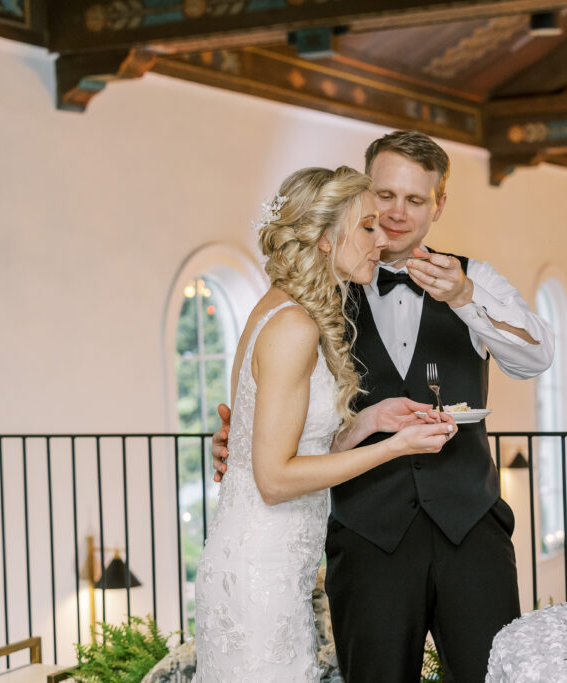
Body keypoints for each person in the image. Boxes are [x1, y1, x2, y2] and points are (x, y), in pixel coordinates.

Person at [212, 131, 554, 682]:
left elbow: (535, 359)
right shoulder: (315, 295)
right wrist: (243, 441)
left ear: (439, 205)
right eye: (383, 198)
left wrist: (465, 299)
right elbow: (275, 408)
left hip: (471, 529)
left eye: (415, 200)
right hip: (366, 536)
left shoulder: (474, 279)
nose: (394, 215)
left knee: (494, 674)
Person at [192, 165, 456, 682]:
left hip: (270, 569)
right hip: (259, 576)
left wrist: (369, 423)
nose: (382, 240)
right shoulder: (293, 325)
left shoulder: (280, 308)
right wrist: (395, 447)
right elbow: (274, 479)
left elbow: (292, 444)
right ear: (321, 237)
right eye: (367, 227)